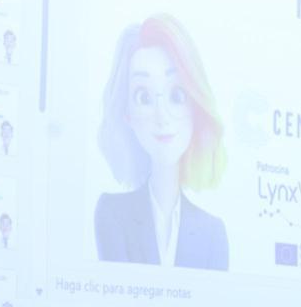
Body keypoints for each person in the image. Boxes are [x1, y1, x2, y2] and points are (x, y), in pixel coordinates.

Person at [94, 14, 229, 270]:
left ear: (196, 106)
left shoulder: (213, 233)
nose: (162, 117)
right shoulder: (111, 214)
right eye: (144, 96)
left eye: (176, 95)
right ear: (127, 114)